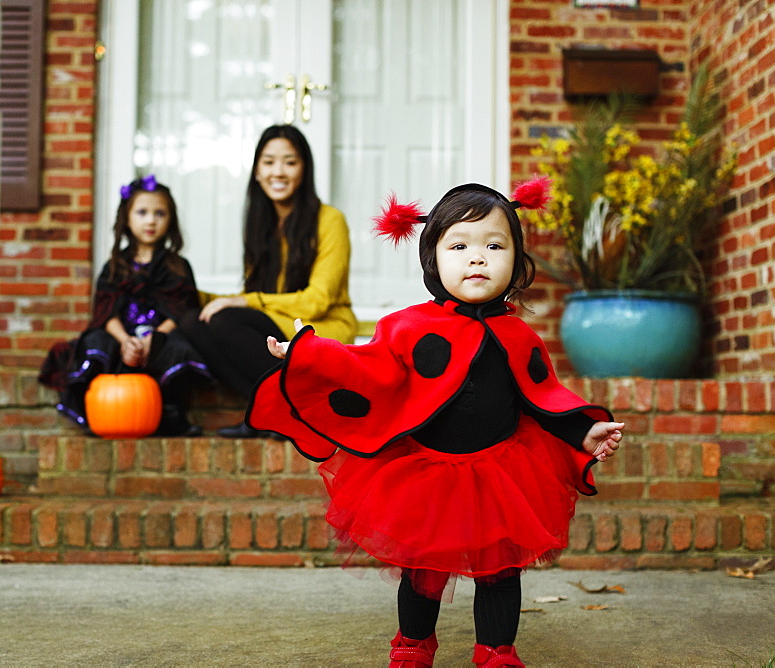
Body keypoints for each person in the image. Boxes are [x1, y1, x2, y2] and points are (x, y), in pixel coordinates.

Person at [247, 178, 624, 667]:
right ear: (433, 258)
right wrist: (310, 355)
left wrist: (583, 431)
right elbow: (366, 368)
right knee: (422, 571)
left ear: (516, 258)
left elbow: (543, 397)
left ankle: (496, 651)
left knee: (500, 570)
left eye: (494, 245)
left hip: (501, 472)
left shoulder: (518, 334)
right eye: (460, 245)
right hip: (425, 471)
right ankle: (413, 645)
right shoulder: (408, 326)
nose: (478, 258)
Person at [180, 124, 356, 438]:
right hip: (277, 323)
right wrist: (190, 293)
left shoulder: (330, 220)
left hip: (321, 324)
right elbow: (258, 294)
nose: (279, 171)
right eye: (269, 162)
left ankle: (284, 409)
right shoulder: (261, 224)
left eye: (290, 162)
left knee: (225, 321)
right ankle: (273, 412)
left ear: (304, 170)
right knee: (193, 321)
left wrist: (245, 301)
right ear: (257, 172)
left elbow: (317, 300)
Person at [39, 175, 212, 437]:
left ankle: (170, 411)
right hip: (122, 336)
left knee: (176, 345)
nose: (151, 220)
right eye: (142, 212)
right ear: (127, 218)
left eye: (159, 213)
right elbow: (105, 311)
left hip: (159, 335)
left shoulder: (177, 266)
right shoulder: (115, 266)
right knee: (96, 341)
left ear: (170, 220)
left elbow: (181, 309)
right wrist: (124, 340)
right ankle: (97, 409)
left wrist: (153, 338)